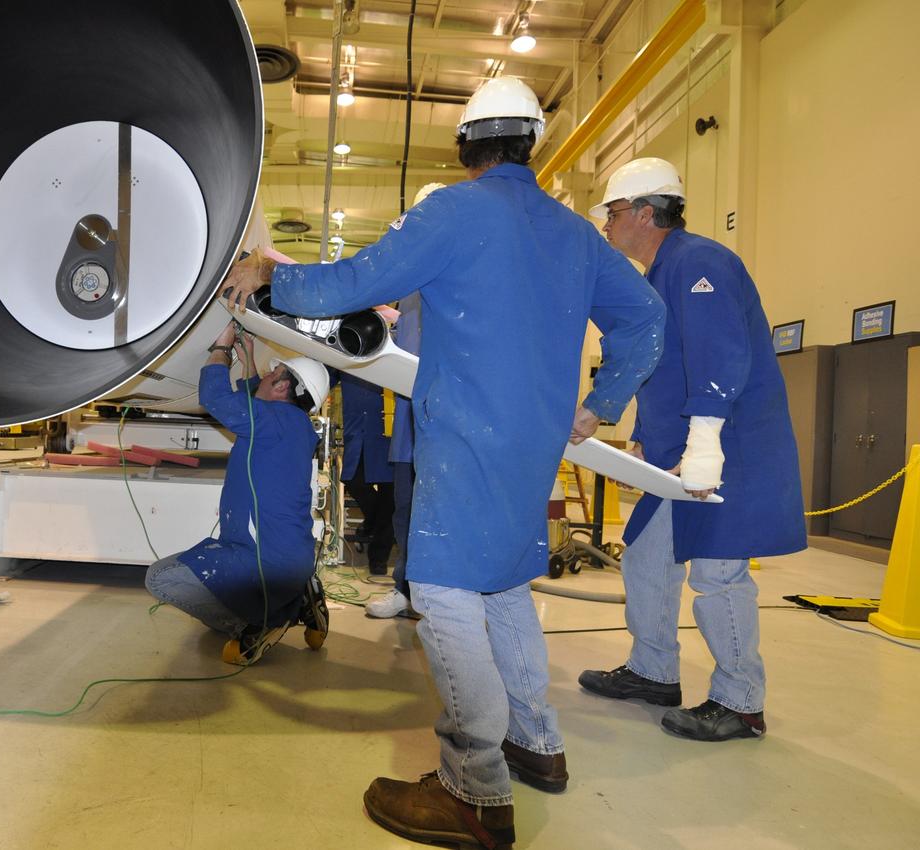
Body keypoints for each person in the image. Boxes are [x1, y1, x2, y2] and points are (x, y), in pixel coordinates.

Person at [222, 77, 666, 849]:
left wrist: (270, 276)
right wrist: (603, 401)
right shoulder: (573, 234)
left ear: (465, 148)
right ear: (532, 144)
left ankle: (474, 788)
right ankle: (539, 744)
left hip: (465, 440)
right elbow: (646, 318)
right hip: (535, 448)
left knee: (441, 588)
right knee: (501, 589)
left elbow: (358, 281)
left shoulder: (455, 212)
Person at [578, 157, 806, 740]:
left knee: (718, 573)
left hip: (722, 451)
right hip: (672, 454)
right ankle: (653, 671)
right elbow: (657, 362)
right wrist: (627, 425)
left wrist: (704, 444)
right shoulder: (655, 277)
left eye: (614, 212)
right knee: (647, 558)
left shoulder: (701, 261)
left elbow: (719, 355)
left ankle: (740, 701)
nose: (606, 224)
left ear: (646, 213)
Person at [144, 322, 332, 666]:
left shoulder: (275, 420)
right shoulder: (290, 423)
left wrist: (223, 347)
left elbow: (216, 398)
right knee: (195, 589)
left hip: (263, 560)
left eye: (270, 374)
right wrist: (247, 360)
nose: (262, 377)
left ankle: (267, 622)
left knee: (161, 578)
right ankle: (296, 596)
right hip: (278, 555)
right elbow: (249, 398)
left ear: (282, 387)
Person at [366, 182, 444, 621]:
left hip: (443, 425)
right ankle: (406, 589)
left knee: (438, 513)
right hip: (409, 428)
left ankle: (437, 597)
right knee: (405, 511)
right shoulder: (409, 285)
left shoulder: (454, 280)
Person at [336, 371, 396, 575]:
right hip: (358, 431)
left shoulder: (395, 343)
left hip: (388, 433)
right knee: (353, 480)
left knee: (390, 496)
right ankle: (372, 524)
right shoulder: (346, 351)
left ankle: (378, 558)